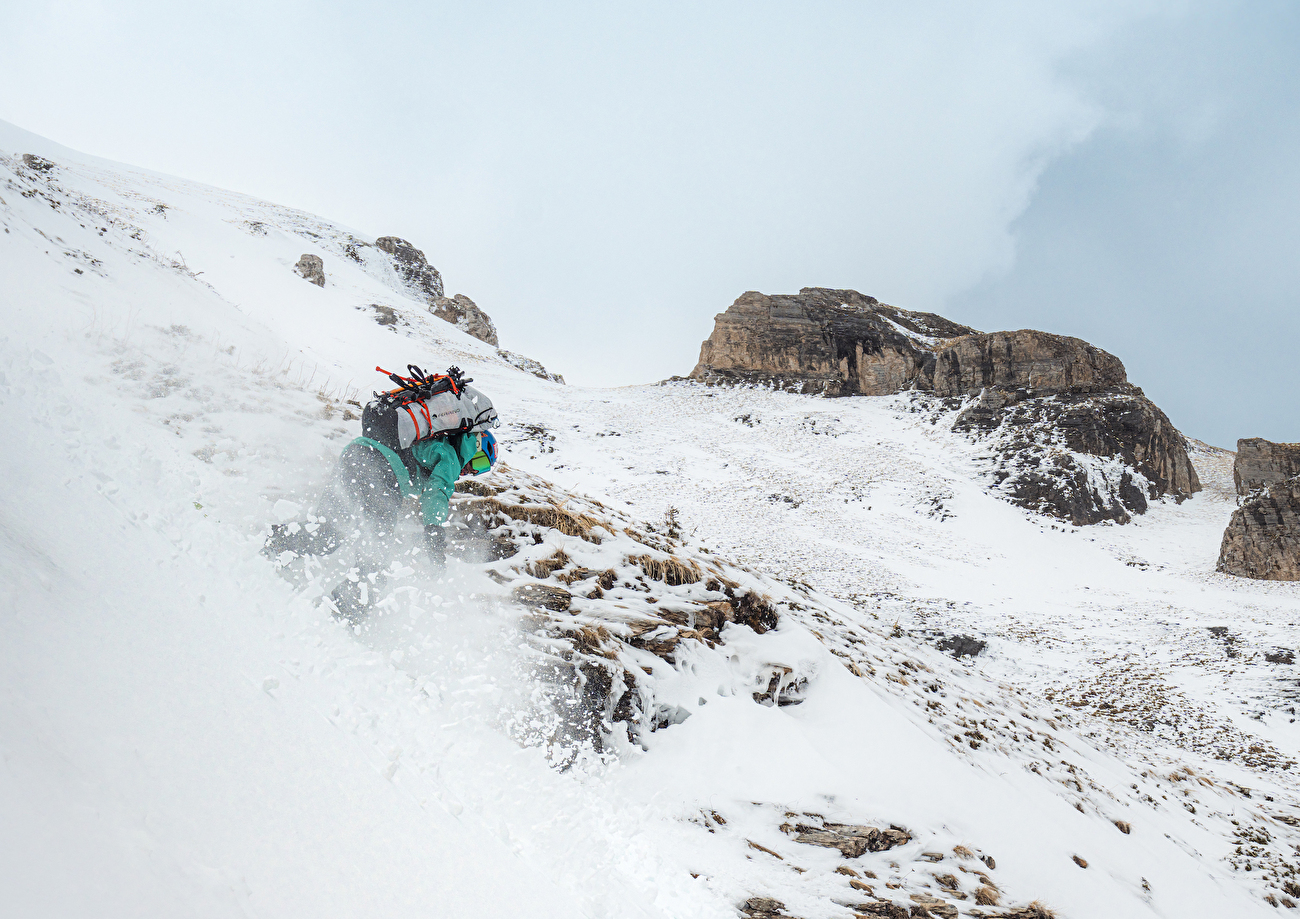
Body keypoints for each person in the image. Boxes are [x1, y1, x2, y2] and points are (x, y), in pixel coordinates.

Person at [265, 366, 498, 620]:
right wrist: (434, 534)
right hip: (381, 474)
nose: (472, 471)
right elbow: (436, 493)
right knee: (376, 559)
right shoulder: (451, 454)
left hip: (355, 456)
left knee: (327, 533)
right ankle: (340, 619)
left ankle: (267, 548)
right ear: (476, 445)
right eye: (479, 463)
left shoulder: (432, 440)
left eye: (480, 471)